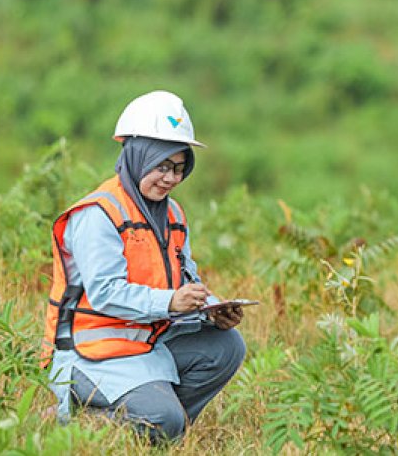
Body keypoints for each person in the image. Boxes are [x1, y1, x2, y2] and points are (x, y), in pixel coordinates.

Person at [40, 90, 246, 443]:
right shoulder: (98, 214)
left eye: (179, 168)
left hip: (146, 344)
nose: (170, 178)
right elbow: (105, 293)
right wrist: (170, 302)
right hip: (92, 355)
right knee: (163, 419)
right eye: (162, 166)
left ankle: (159, 424)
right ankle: (87, 417)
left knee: (227, 345)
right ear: (137, 156)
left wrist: (211, 309)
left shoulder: (173, 214)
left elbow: (185, 279)